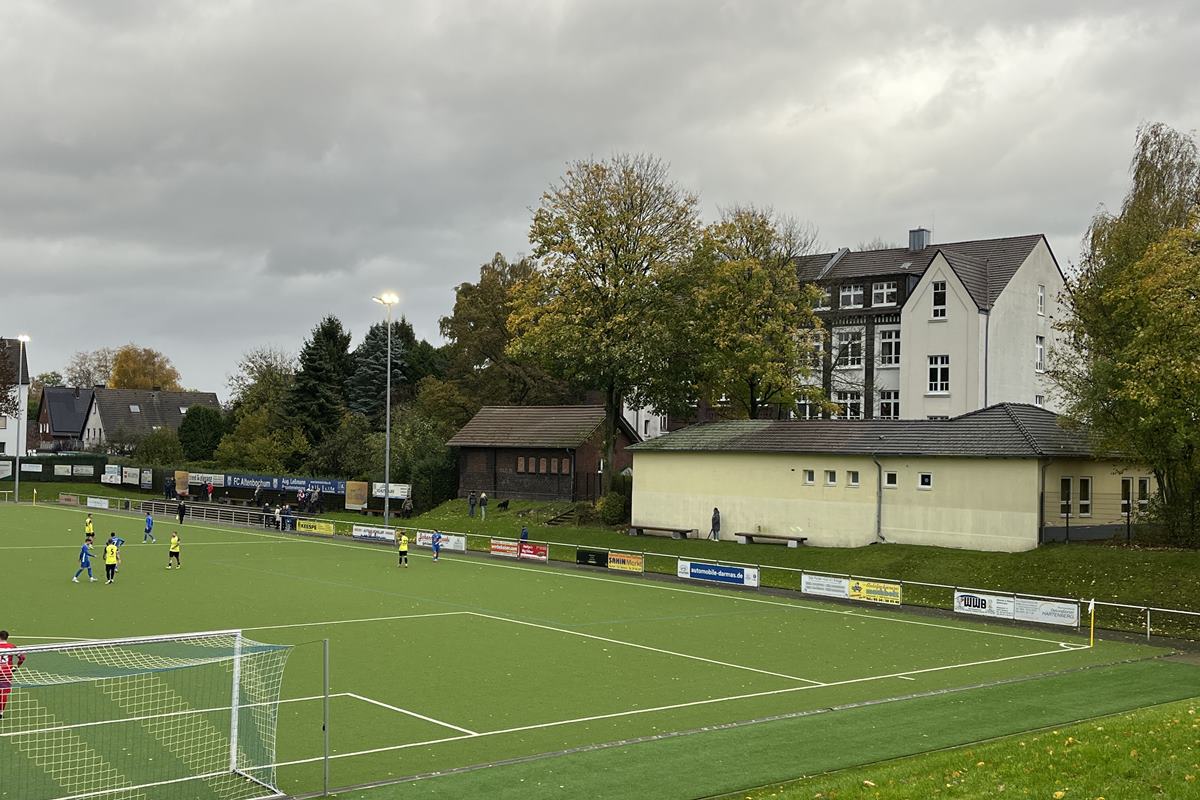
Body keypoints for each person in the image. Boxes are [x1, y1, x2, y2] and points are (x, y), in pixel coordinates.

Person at [0, 630, 27, 720]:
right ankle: (0, 712)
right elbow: (22, 657)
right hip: (6, 671)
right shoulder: (11, 647)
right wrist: (16, 666)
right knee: (3, 692)